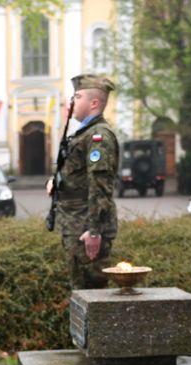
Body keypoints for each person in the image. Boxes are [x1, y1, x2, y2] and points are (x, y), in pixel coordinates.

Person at [47, 74, 119, 290]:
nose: (72, 102)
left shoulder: (99, 137)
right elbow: (78, 173)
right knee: (79, 291)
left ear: (94, 103)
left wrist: (94, 230)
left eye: (77, 97)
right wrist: (56, 181)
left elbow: (100, 185)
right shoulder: (84, 133)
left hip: (85, 226)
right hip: (74, 223)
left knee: (91, 293)